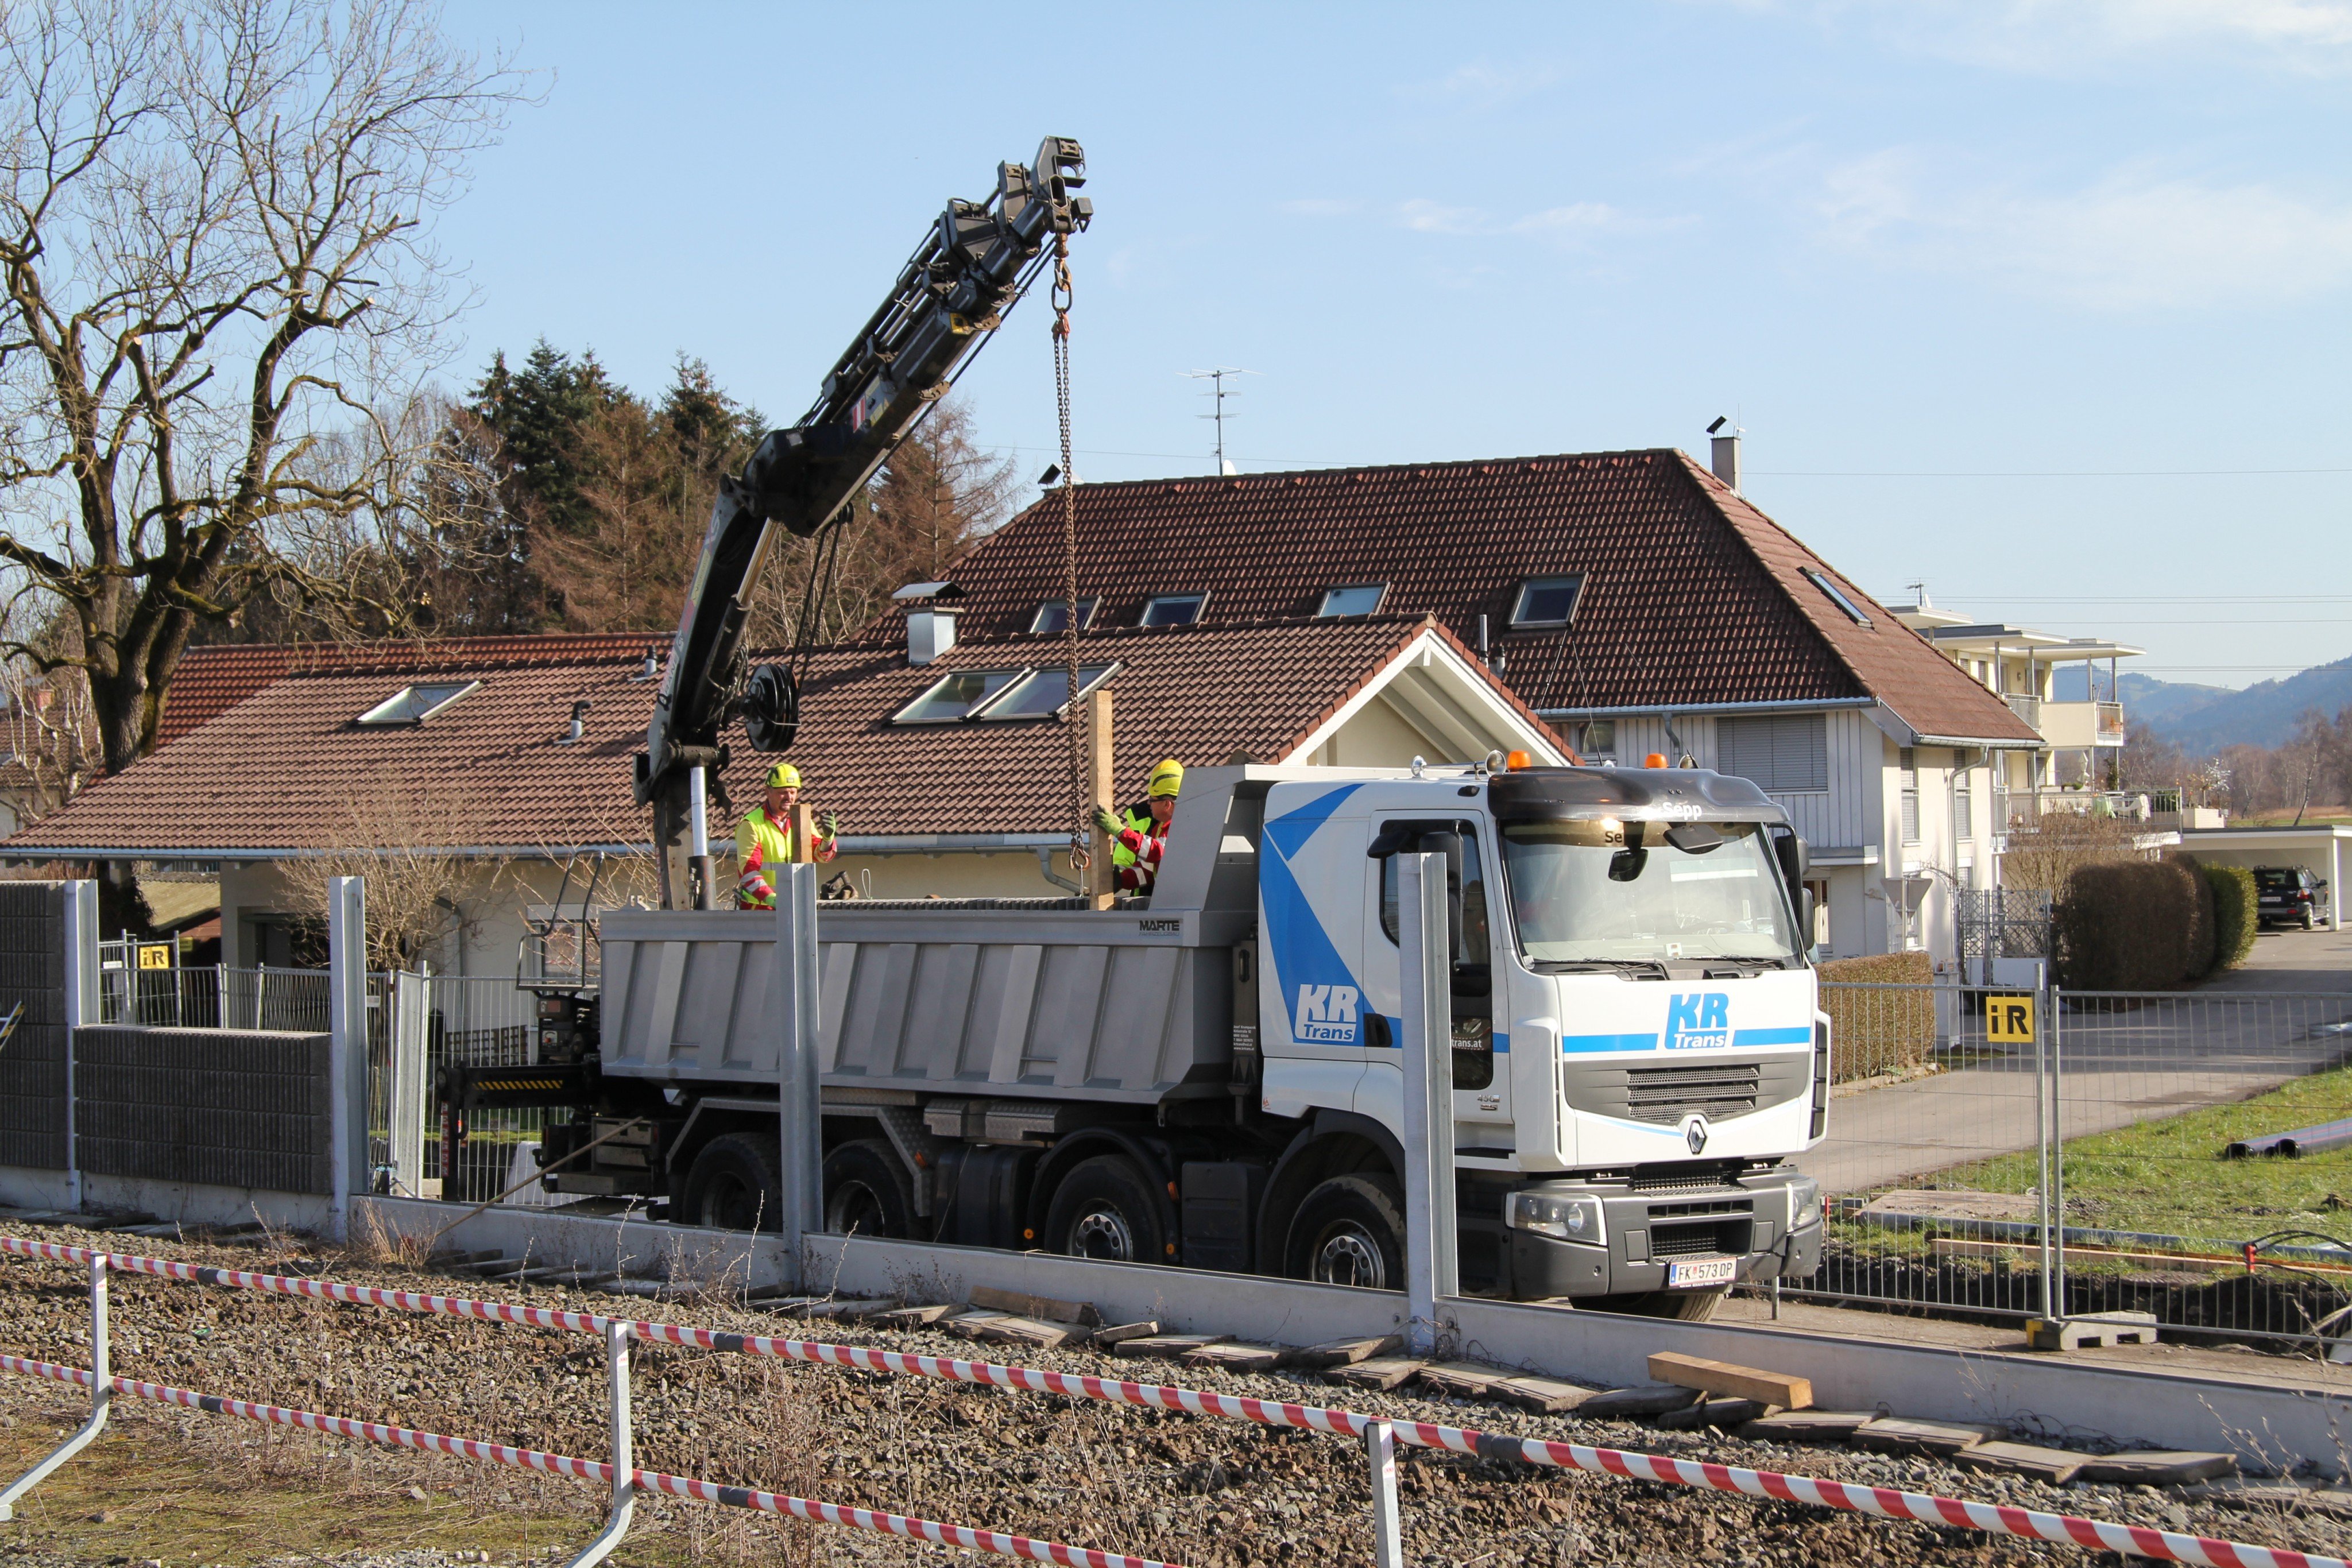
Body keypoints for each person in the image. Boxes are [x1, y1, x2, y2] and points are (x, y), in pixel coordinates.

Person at [737, 762, 838, 909]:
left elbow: (822, 856)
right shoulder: (752, 824)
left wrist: (828, 839)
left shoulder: (802, 819)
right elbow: (748, 872)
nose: (789, 797)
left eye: (793, 792)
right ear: (768, 792)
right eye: (783, 792)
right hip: (760, 909)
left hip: (796, 906)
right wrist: (771, 898)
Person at [1093, 757, 1182, 896]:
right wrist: (1122, 880)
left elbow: (1157, 851)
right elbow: (1148, 871)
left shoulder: (1182, 828)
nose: (1148, 803)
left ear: (1167, 804)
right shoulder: (1159, 828)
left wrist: (1121, 831)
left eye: (1152, 799)